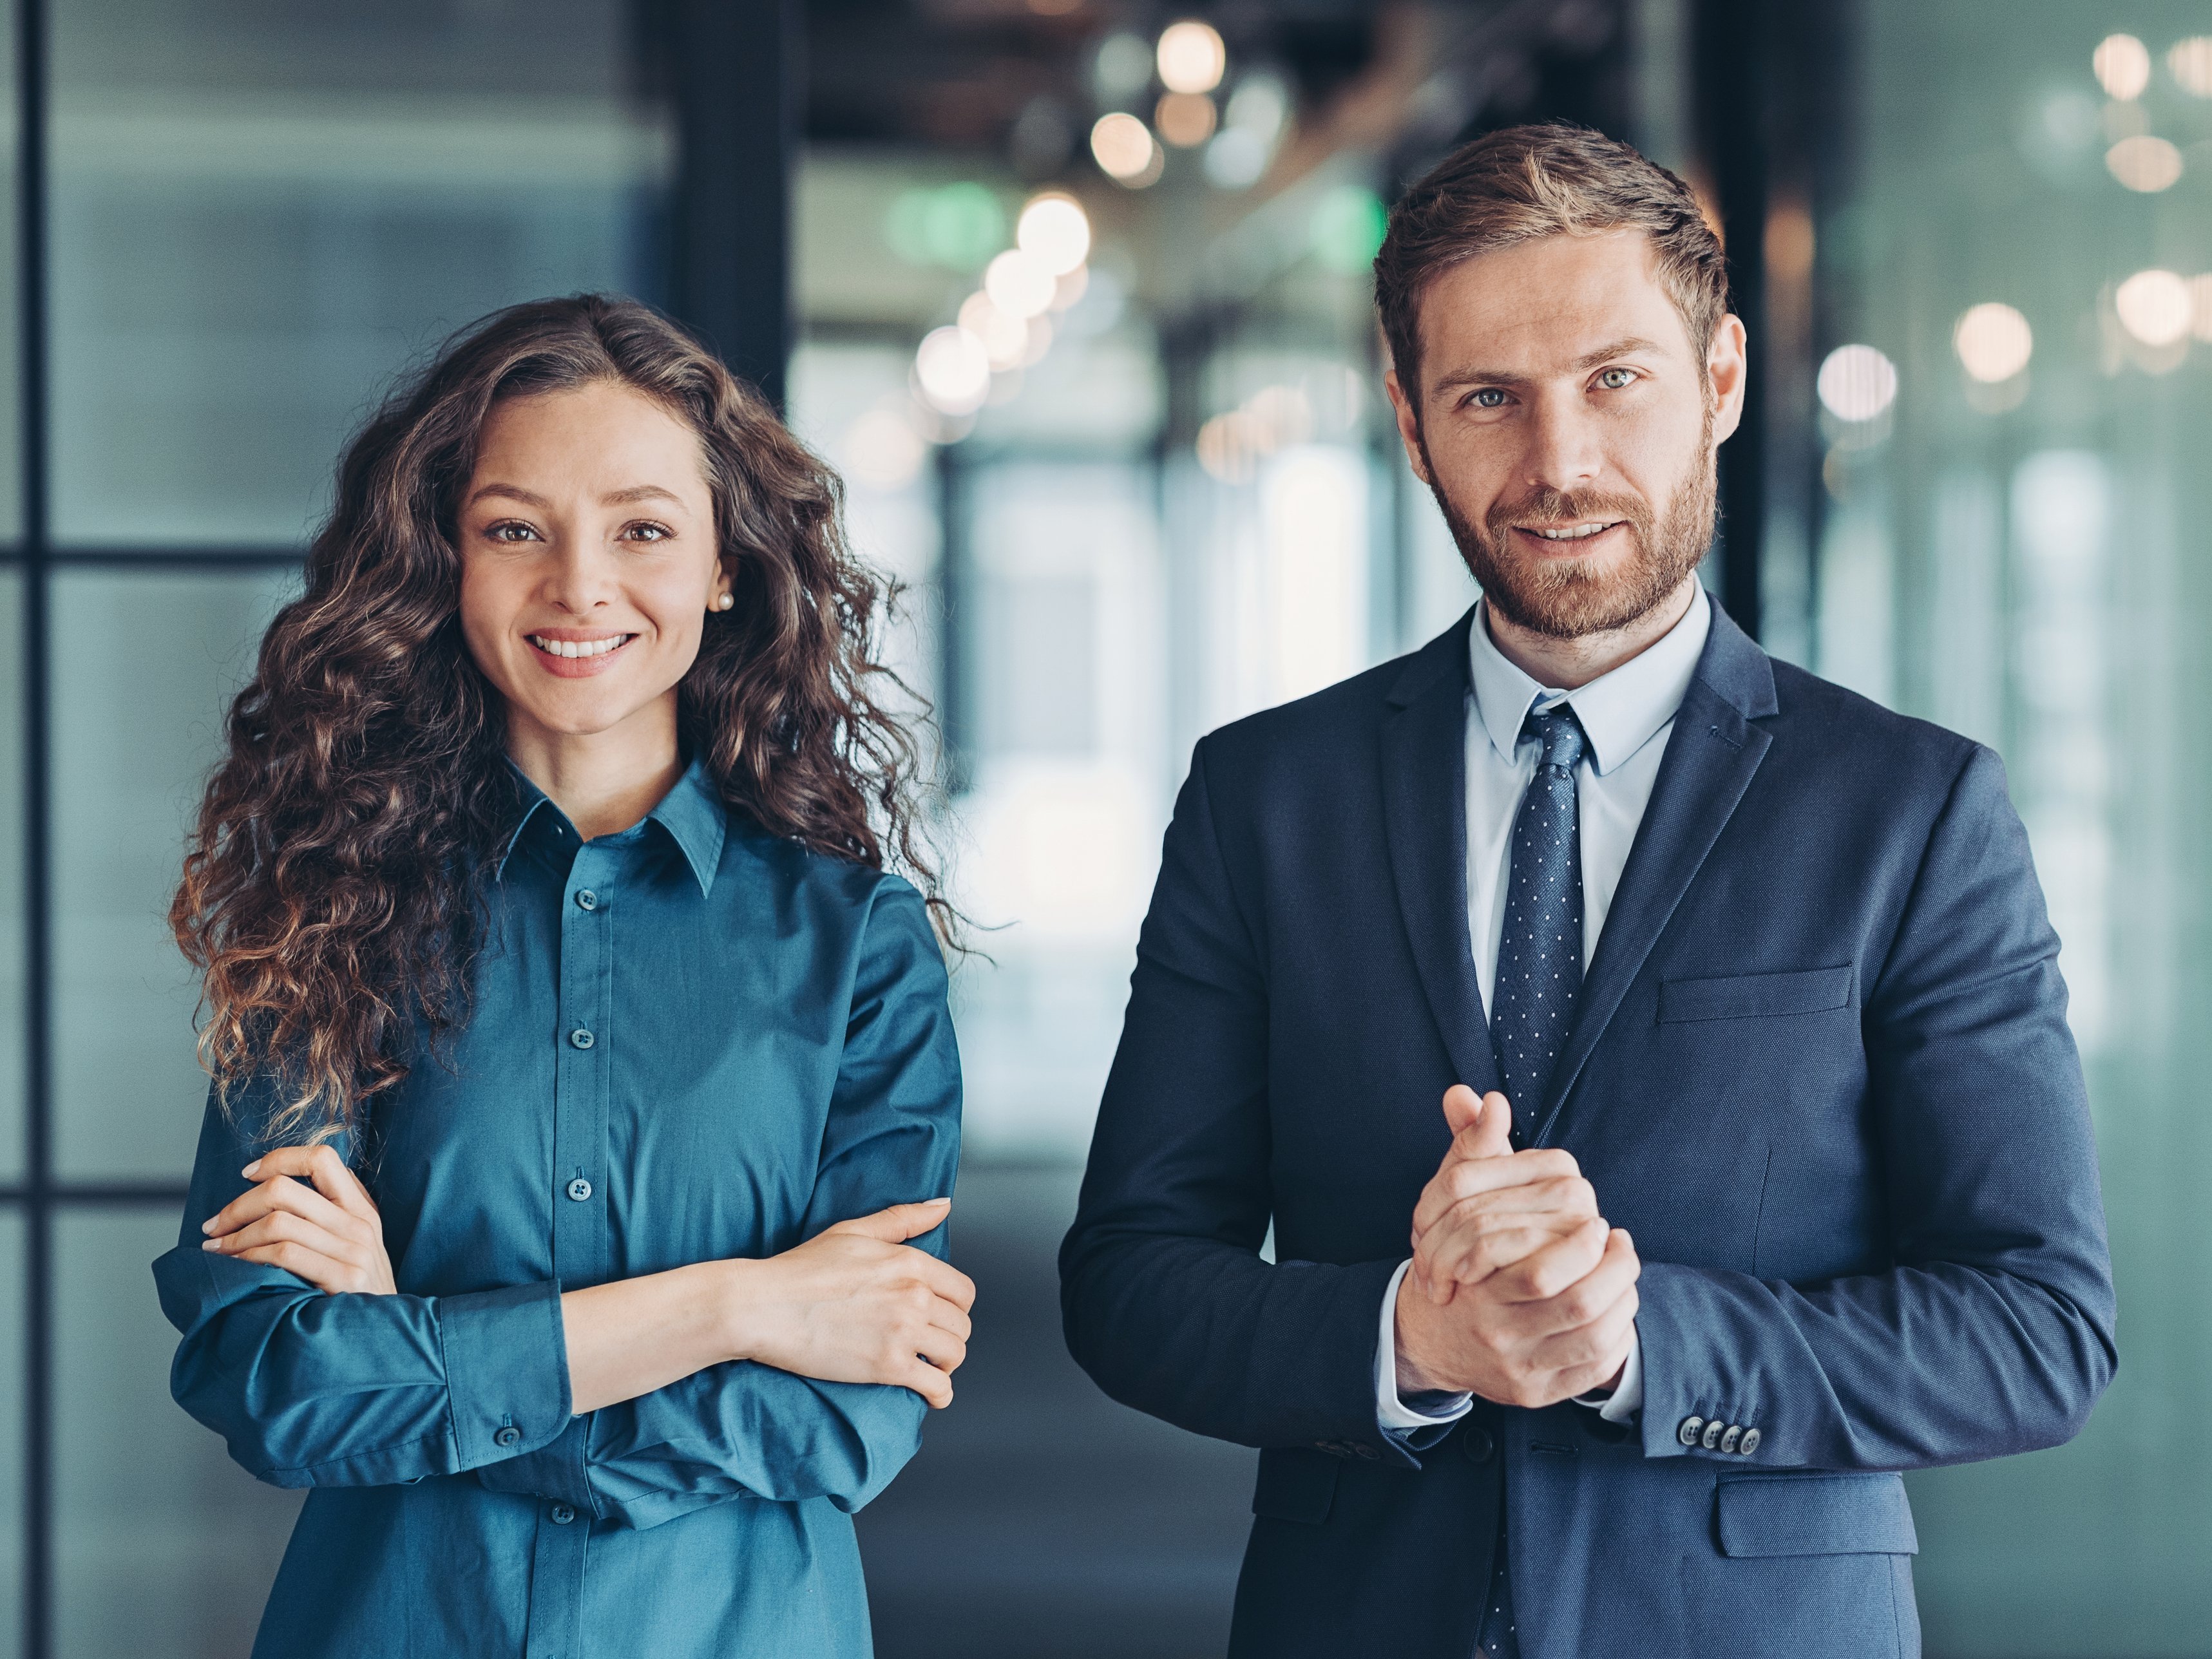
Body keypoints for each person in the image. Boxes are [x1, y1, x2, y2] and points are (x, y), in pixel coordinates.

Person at [1060, 124, 2115, 1659]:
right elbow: (1131, 1277)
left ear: (1722, 383)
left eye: (1615, 380)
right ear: (1412, 423)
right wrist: (1407, 1340)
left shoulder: (1911, 809)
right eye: (1489, 397)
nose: (1558, 463)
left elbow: (2038, 1327)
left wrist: (1637, 1340)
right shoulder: (1262, 796)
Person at [155, 294, 970, 1658]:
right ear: (444, 561)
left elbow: (848, 1413)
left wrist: (416, 1343)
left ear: (724, 567)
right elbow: (277, 1381)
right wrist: (737, 1305)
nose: (580, 586)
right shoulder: (321, 914)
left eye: (642, 529)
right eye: (514, 529)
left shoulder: (856, 950)